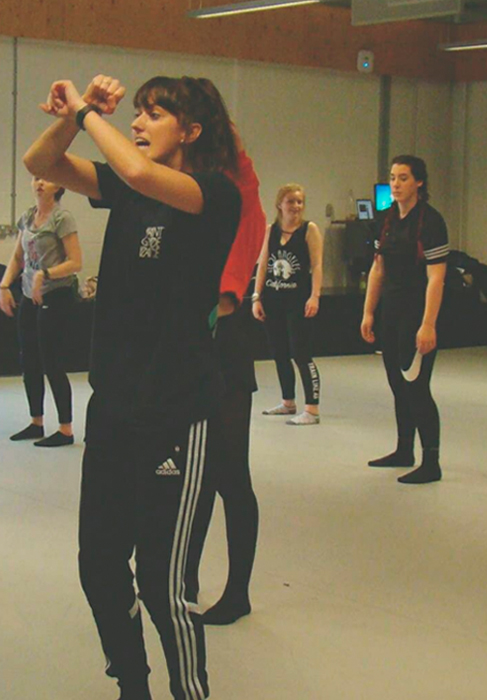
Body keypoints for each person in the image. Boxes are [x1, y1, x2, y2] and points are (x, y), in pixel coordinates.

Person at [23, 73, 241, 700]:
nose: (139, 124)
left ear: (191, 131)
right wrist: (69, 116)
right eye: (136, 113)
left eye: (154, 114)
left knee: (163, 583)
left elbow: (144, 175)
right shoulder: (123, 185)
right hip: (116, 410)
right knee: (99, 567)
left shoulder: (212, 195)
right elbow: (41, 160)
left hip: (178, 414)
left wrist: (90, 111)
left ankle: (188, 692)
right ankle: (133, 684)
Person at [188, 123, 265, 626]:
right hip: (189, 346)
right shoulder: (191, 191)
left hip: (224, 345)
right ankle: (183, 576)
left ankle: (237, 593)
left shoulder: (240, 197)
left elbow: (232, 274)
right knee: (191, 476)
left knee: (228, 475)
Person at [360, 155, 448, 484]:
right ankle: (403, 449)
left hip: (417, 312)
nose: (396, 184)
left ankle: (431, 461)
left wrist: (428, 324)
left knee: (416, 387)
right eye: (393, 178)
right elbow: (378, 269)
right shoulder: (385, 220)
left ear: (419, 183)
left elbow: (437, 278)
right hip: (391, 313)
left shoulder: (431, 222)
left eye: (404, 178)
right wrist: (369, 312)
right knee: (398, 385)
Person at [0, 176, 82, 446]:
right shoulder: (27, 217)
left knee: (51, 361)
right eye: (36, 178)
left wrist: (45, 274)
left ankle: (66, 429)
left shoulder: (62, 219)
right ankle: (36, 422)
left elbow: (76, 262)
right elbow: (17, 258)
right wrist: (4, 286)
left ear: (59, 186)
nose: (39, 183)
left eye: (46, 179)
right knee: (29, 360)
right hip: (27, 294)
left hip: (55, 295)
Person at [252, 184, 323, 426]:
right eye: (291, 201)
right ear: (279, 204)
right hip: (273, 300)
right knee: (279, 353)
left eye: (299, 202)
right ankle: (287, 401)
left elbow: (317, 265)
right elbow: (262, 265)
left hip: (298, 301)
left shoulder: (308, 230)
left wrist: (315, 296)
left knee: (301, 354)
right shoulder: (270, 231)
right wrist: (256, 297)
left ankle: (312, 409)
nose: (295, 206)